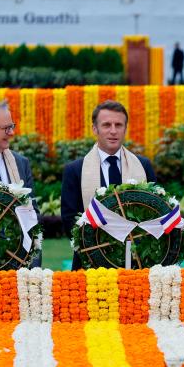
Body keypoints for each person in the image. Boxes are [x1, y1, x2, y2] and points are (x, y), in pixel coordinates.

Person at [60, 100, 157, 269]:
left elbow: (156, 212)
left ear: (125, 129)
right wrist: (100, 246)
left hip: (137, 262)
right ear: (95, 129)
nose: (113, 131)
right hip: (89, 261)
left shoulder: (143, 166)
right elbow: (69, 219)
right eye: (106, 125)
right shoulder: (75, 170)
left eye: (118, 125)